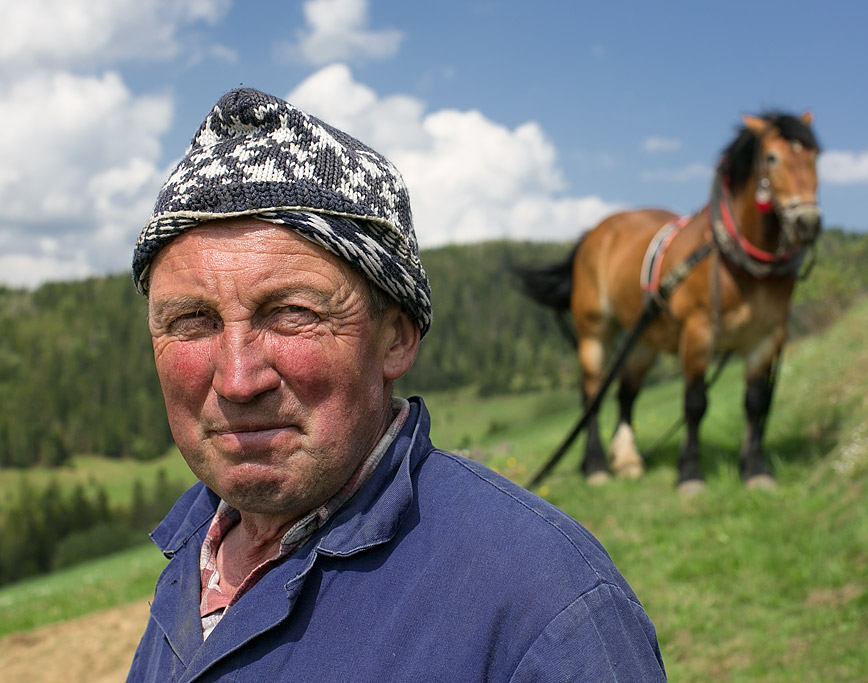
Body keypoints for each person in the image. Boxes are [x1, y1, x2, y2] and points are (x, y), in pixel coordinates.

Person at [126, 87, 666, 682]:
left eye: (292, 313)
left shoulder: (542, 607)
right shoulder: (196, 553)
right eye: (192, 321)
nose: (237, 379)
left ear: (396, 340)